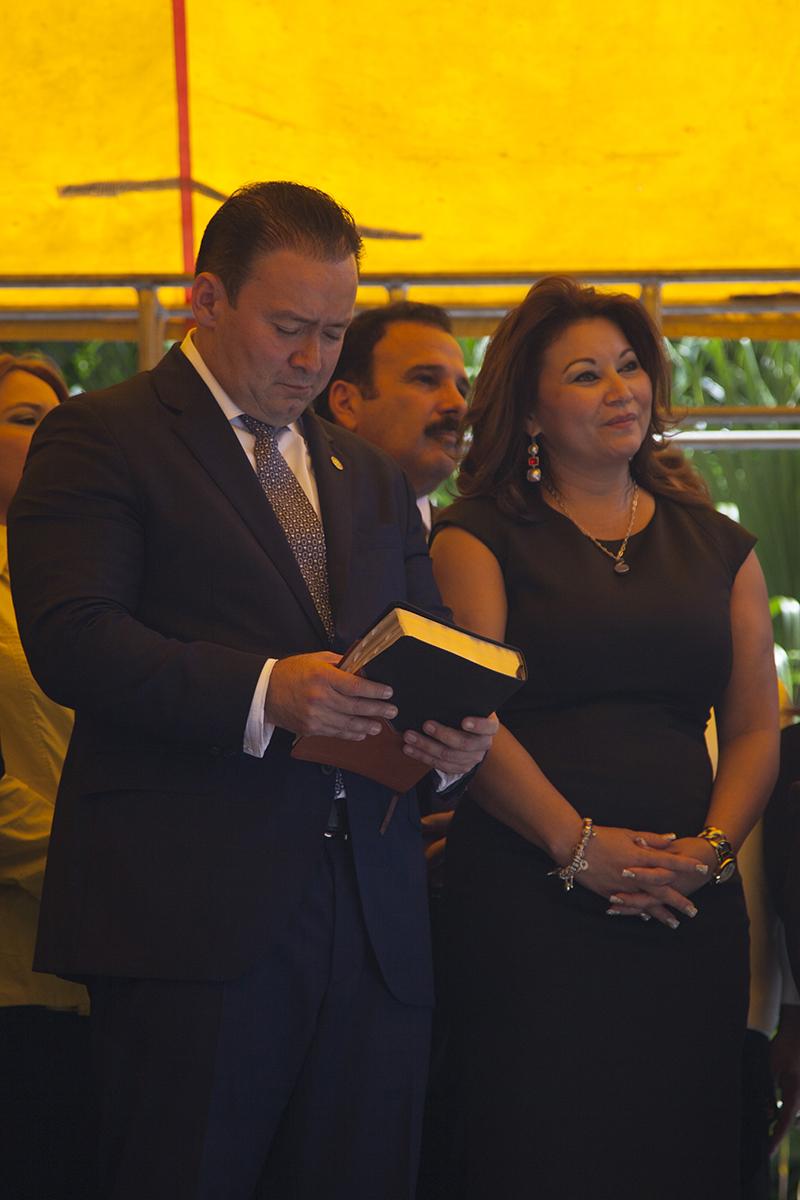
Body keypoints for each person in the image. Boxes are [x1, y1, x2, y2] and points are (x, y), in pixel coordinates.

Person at [7, 182, 496, 1200]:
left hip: (371, 917)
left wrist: (449, 737)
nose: (313, 360)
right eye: (288, 328)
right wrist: (265, 692)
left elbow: (416, 640)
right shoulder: (105, 434)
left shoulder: (361, 471)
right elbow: (73, 639)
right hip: (191, 918)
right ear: (205, 299)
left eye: (333, 331)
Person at [428, 275, 779, 1199]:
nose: (621, 389)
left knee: (677, 1151)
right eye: (586, 375)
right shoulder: (475, 537)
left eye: (630, 368)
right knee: (533, 1151)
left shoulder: (719, 546)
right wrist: (576, 847)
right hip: (527, 898)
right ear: (531, 410)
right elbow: (471, 717)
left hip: (684, 905)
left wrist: (708, 854)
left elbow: (750, 729)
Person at [0, 353, 94, 1198]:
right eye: (25, 419)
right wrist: (83, 864)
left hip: (108, 963)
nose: (48, 437)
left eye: (57, 421)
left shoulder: (90, 575)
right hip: (16, 963)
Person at [315, 301, 469, 533]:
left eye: (462, 390)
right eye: (426, 379)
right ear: (346, 404)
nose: (458, 404)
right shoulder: (302, 533)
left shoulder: (471, 546)